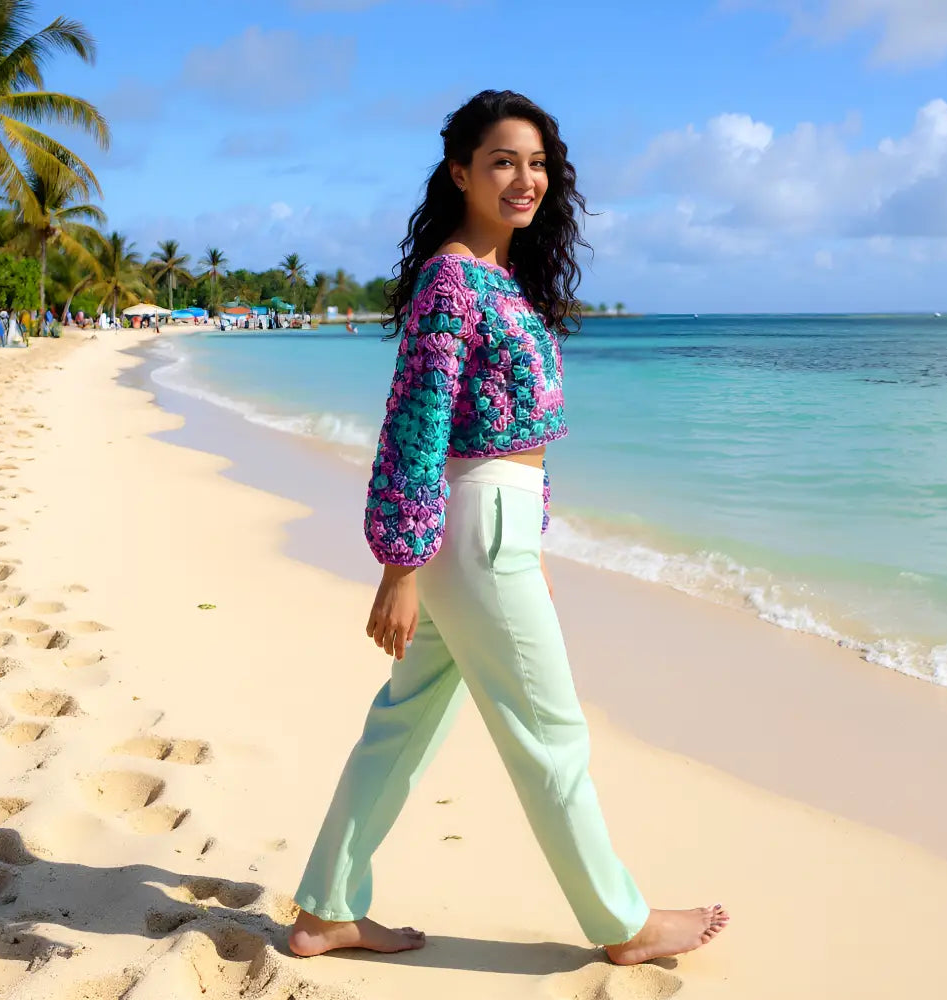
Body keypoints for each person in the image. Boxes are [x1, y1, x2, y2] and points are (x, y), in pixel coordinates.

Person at [288, 90, 729, 967]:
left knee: (403, 722)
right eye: (503, 161)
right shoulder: (453, 282)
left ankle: (327, 909)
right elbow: (417, 424)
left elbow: (512, 431)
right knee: (552, 732)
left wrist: (530, 544)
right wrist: (400, 567)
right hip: (471, 532)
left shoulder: (500, 282)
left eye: (537, 163)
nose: (525, 178)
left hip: (494, 531)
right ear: (460, 172)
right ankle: (622, 922)